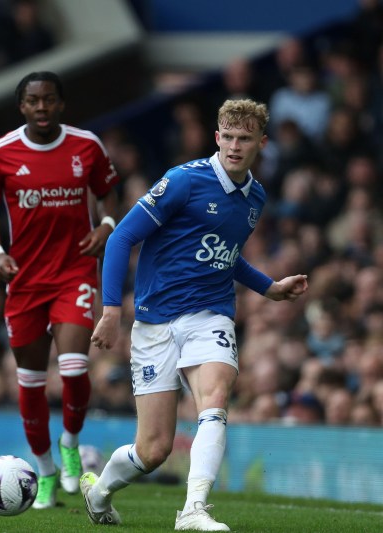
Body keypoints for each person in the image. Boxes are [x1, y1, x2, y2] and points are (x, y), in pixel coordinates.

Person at [83, 99, 309, 531]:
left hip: (211, 315)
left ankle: (193, 510)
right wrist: (111, 310)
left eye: (245, 138)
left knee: (216, 398)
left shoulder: (255, 197)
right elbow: (120, 238)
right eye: (228, 136)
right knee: (152, 450)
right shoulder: (184, 181)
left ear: (261, 143)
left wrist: (270, 288)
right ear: (217, 136)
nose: (235, 146)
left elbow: (228, 257)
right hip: (154, 323)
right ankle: (99, 493)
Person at [0, 71, 120, 509]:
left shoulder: (87, 146)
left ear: (61, 104)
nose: (41, 108)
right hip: (24, 280)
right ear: (22, 106)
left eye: (49, 100)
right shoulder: (0, 153)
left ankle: (70, 444)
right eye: (33, 101)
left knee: (74, 368)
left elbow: (109, 193)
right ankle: (45, 469)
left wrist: (107, 225)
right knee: (31, 381)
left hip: (74, 272)